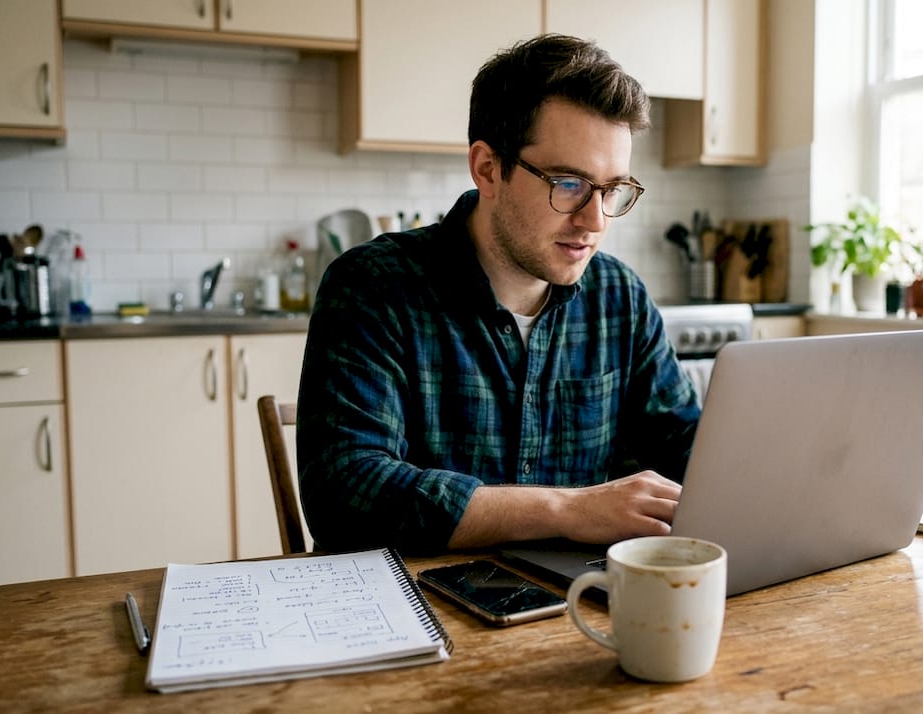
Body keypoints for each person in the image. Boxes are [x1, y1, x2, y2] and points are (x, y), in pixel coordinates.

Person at [297, 34, 700, 555]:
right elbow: (344, 494)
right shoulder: (374, 286)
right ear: (488, 169)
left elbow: (687, 448)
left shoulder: (619, 296)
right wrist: (568, 509)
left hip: (579, 604)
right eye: (569, 183)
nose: (595, 221)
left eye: (611, 189)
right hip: (421, 603)